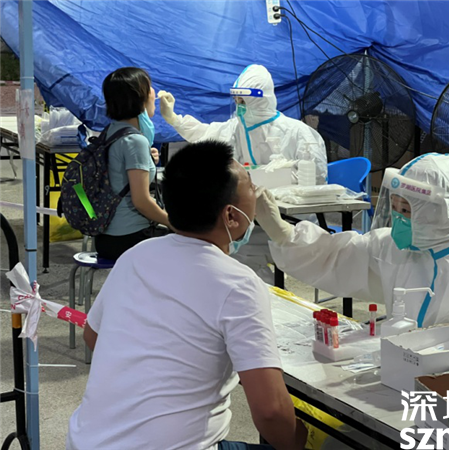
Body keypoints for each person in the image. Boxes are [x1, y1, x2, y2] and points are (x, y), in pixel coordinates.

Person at [66, 141, 307, 450]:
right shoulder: (237, 284)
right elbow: (271, 412)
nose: (257, 192)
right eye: (251, 186)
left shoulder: (136, 255)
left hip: (86, 442)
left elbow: (93, 336)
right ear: (231, 216)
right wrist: (296, 443)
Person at [254, 153, 449, 360]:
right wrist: (283, 232)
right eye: (395, 207)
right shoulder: (397, 247)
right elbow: (336, 256)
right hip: (405, 376)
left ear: (439, 210)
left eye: (407, 210)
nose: (398, 219)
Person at [159, 64, 328, 283]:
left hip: (292, 219)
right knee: (231, 258)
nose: (239, 106)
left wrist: (281, 182)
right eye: (237, 100)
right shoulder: (236, 128)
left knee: (242, 258)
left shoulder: (298, 132)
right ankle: (260, 293)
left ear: (261, 99)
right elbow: (204, 134)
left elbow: (315, 178)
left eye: (243, 100)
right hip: (249, 219)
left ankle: (262, 292)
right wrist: (174, 118)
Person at [94, 67, 170, 261]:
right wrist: (174, 224)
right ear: (139, 97)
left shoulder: (112, 131)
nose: (154, 93)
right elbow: (141, 202)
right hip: (130, 238)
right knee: (193, 243)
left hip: (106, 236)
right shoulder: (135, 141)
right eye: (149, 87)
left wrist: (147, 159)